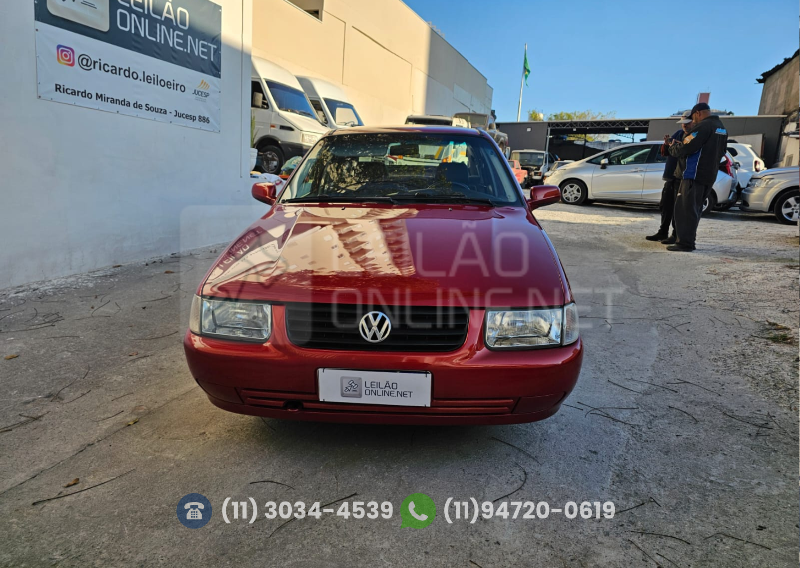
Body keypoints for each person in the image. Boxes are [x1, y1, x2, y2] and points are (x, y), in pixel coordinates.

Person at [665, 103, 728, 252]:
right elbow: (722, 151)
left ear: (698, 113)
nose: (694, 121)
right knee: (695, 210)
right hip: (709, 175)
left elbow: (686, 147)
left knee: (685, 210)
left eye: (693, 117)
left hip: (693, 175)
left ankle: (684, 243)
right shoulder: (721, 128)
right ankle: (688, 241)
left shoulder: (703, 126)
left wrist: (672, 147)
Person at [645, 111, 693, 244]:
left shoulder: (694, 136)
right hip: (671, 176)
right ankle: (663, 231)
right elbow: (667, 152)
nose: (684, 125)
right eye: (683, 123)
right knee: (665, 205)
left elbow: (682, 150)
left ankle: (676, 234)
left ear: (693, 122)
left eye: (687, 123)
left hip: (682, 177)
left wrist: (676, 145)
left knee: (678, 208)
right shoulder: (678, 133)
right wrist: (666, 144)